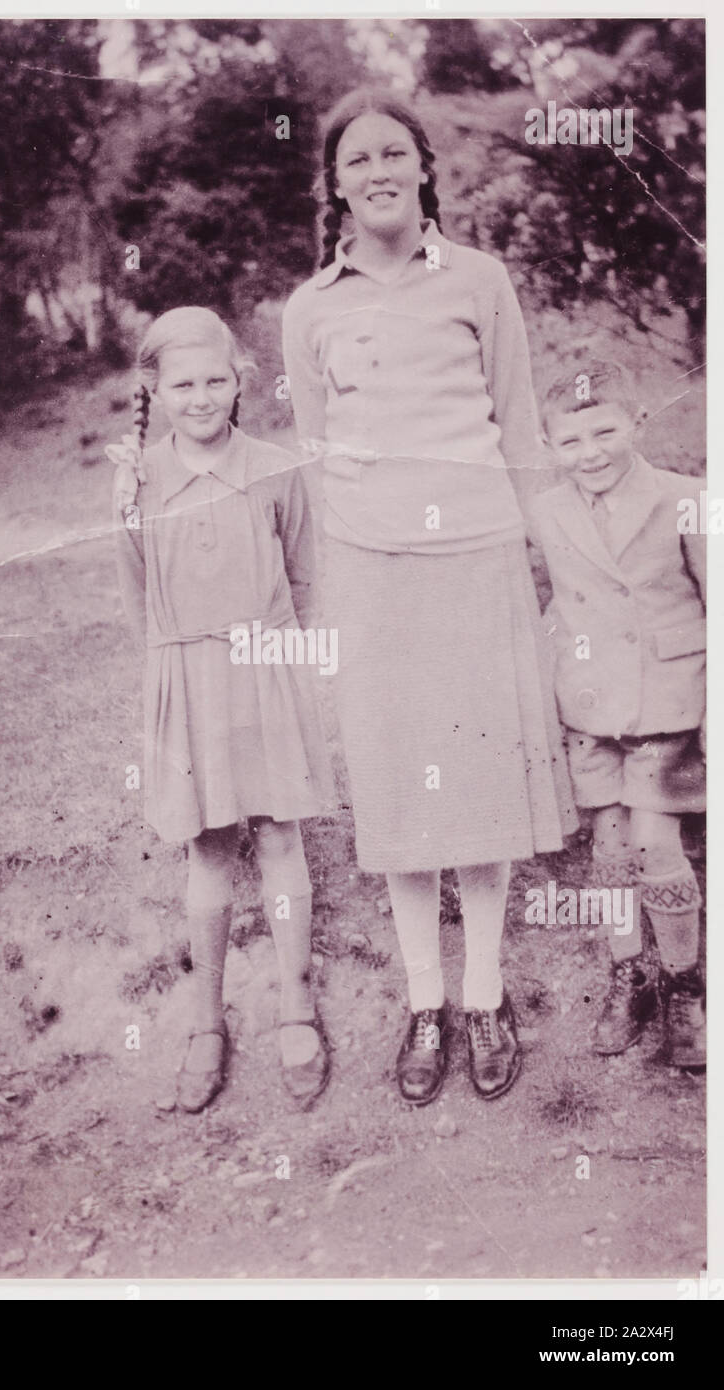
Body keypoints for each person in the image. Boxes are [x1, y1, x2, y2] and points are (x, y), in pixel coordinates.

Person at [282, 88, 576, 1105]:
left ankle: (485, 995)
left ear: (420, 168)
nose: (376, 172)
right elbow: (317, 465)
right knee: (404, 792)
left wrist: (560, 568)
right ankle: (423, 1004)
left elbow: (524, 430)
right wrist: (330, 598)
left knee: (483, 790)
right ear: (334, 183)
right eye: (355, 159)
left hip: (481, 556)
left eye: (392, 154)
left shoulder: (481, 281)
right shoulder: (309, 308)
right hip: (373, 571)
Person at [108, 306, 335, 1112]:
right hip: (186, 676)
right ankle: (205, 1021)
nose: (200, 397)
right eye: (182, 384)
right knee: (208, 845)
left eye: (215, 380)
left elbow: (304, 579)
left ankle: (296, 1008)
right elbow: (139, 597)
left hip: (265, 669)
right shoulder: (136, 481)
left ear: (238, 379)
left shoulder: (275, 468)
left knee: (277, 832)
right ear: (153, 389)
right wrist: (171, 680)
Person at [529, 360, 706, 1068]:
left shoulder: (687, 497)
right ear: (548, 445)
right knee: (607, 854)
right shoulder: (544, 512)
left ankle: (684, 987)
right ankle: (625, 975)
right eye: (570, 441)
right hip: (591, 704)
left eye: (604, 432)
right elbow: (547, 600)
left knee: (655, 848)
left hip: (668, 696)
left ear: (635, 423)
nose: (590, 452)